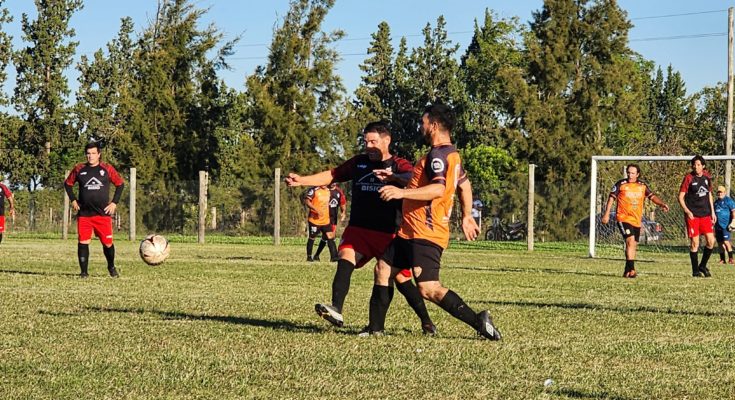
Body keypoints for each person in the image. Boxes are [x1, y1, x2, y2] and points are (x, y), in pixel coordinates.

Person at [364, 104, 501, 340]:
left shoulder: (437, 155)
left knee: (429, 288)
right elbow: (464, 185)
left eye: (423, 122)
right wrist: (466, 215)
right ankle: (375, 329)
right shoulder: (450, 154)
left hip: (425, 233)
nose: (421, 126)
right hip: (410, 231)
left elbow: (438, 188)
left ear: (434, 126)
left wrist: (401, 193)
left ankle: (479, 321)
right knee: (383, 269)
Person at [286, 121, 437, 334]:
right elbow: (333, 174)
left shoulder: (399, 164)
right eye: (366, 141)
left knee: (402, 280)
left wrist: (394, 178)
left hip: (389, 233)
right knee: (345, 257)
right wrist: (302, 180)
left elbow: (411, 179)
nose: (369, 146)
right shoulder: (359, 163)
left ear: (387, 140)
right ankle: (336, 308)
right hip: (359, 229)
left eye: (373, 141)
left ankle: (427, 321)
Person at [64, 142, 125, 278]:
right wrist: (73, 200)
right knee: (83, 242)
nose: (90, 156)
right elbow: (67, 184)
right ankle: (84, 272)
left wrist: (114, 203)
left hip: (102, 214)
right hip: (84, 215)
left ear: (99, 154)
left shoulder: (107, 168)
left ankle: (111, 266)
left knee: (107, 243)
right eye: (88, 153)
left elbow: (120, 185)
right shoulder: (79, 168)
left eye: (93, 153)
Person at [601, 164, 669, 278]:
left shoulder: (642, 186)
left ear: (637, 174)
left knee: (632, 245)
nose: (630, 175)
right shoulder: (621, 184)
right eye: (628, 172)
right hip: (623, 218)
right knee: (630, 241)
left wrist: (661, 204)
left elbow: (652, 196)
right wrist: (607, 214)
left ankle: (627, 270)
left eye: (632, 173)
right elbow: (611, 198)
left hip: (636, 220)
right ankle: (632, 270)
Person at [678, 155, 716, 278]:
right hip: (693, 215)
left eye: (698, 164)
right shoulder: (688, 178)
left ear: (703, 166)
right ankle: (695, 271)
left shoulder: (707, 177)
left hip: (705, 214)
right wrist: (687, 211)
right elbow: (681, 197)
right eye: (694, 164)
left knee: (711, 241)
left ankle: (702, 266)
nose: (696, 166)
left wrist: (713, 212)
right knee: (695, 243)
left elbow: (709, 194)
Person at [314, 182, 346, 262]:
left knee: (326, 237)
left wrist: (343, 213)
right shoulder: (324, 190)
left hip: (333, 219)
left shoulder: (339, 192)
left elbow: (342, 203)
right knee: (330, 236)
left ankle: (316, 255)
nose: (333, 183)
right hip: (323, 218)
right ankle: (334, 257)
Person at [303, 185, 335, 262]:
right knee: (312, 237)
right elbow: (307, 201)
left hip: (325, 220)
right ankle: (309, 257)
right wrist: (316, 209)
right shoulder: (314, 190)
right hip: (315, 220)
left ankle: (334, 257)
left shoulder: (328, 191)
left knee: (330, 236)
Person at [713, 185, 735, 264]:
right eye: (718, 192)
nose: (719, 194)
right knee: (720, 243)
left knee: (726, 242)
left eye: (721, 192)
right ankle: (722, 259)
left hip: (726, 225)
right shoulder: (715, 202)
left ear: (725, 192)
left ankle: (731, 258)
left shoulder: (728, 201)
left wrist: (733, 220)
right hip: (718, 225)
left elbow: (733, 211)